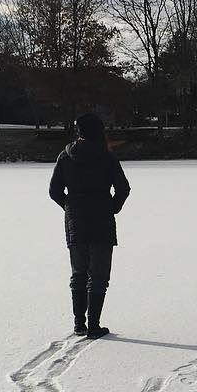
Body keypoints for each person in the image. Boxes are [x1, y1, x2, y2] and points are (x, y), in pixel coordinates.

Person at [49, 113, 131, 339]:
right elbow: (123, 188)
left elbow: (54, 191)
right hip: (101, 219)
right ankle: (94, 325)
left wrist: (70, 208)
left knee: (79, 273)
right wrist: (112, 207)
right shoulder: (107, 156)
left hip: (76, 220)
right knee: (99, 276)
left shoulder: (65, 156)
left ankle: (79, 324)